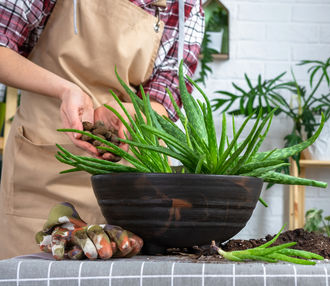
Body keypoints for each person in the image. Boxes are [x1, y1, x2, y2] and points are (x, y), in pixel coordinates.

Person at [0, 0, 204, 259]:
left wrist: (131, 113)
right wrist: (65, 90)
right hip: (46, 163)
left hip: (131, 178)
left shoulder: (185, 6)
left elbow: (168, 96)